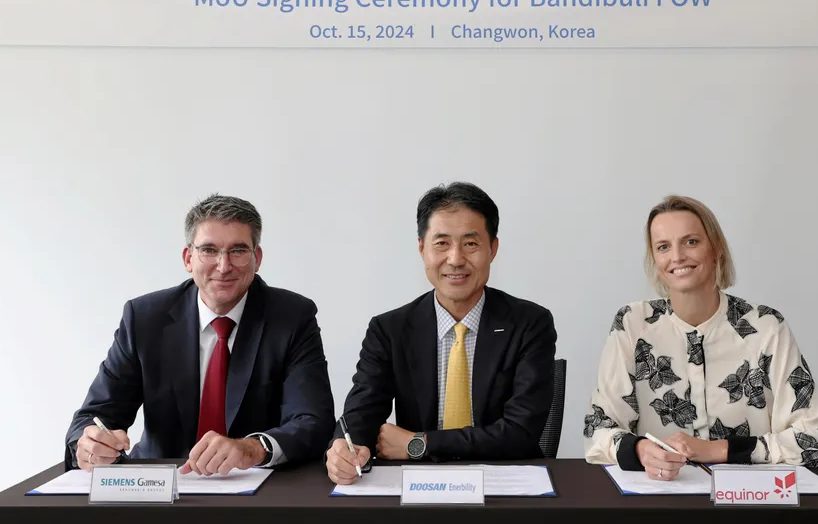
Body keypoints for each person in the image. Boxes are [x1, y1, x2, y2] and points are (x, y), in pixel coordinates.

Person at [65, 194, 335, 475]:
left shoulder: (292, 317)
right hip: (160, 485)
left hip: (256, 489)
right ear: (188, 258)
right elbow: (94, 416)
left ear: (257, 258)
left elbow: (313, 420)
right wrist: (88, 445)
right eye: (209, 250)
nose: (223, 266)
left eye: (238, 251)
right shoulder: (145, 318)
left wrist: (252, 448)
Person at [584, 195, 818, 479]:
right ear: (655, 260)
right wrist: (641, 450)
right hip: (659, 502)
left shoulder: (765, 327)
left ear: (716, 248)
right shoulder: (632, 324)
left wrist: (716, 449)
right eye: (663, 247)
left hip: (749, 505)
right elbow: (599, 430)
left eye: (691, 242)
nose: (677, 256)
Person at [326, 182, 557, 484]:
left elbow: (521, 433)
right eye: (442, 243)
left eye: (471, 244)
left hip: (504, 486)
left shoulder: (529, 323)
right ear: (422, 248)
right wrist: (344, 449)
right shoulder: (390, 330)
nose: (456, 259)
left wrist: (418, 444)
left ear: (493, 249)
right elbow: (362, 413)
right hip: (419, 488)